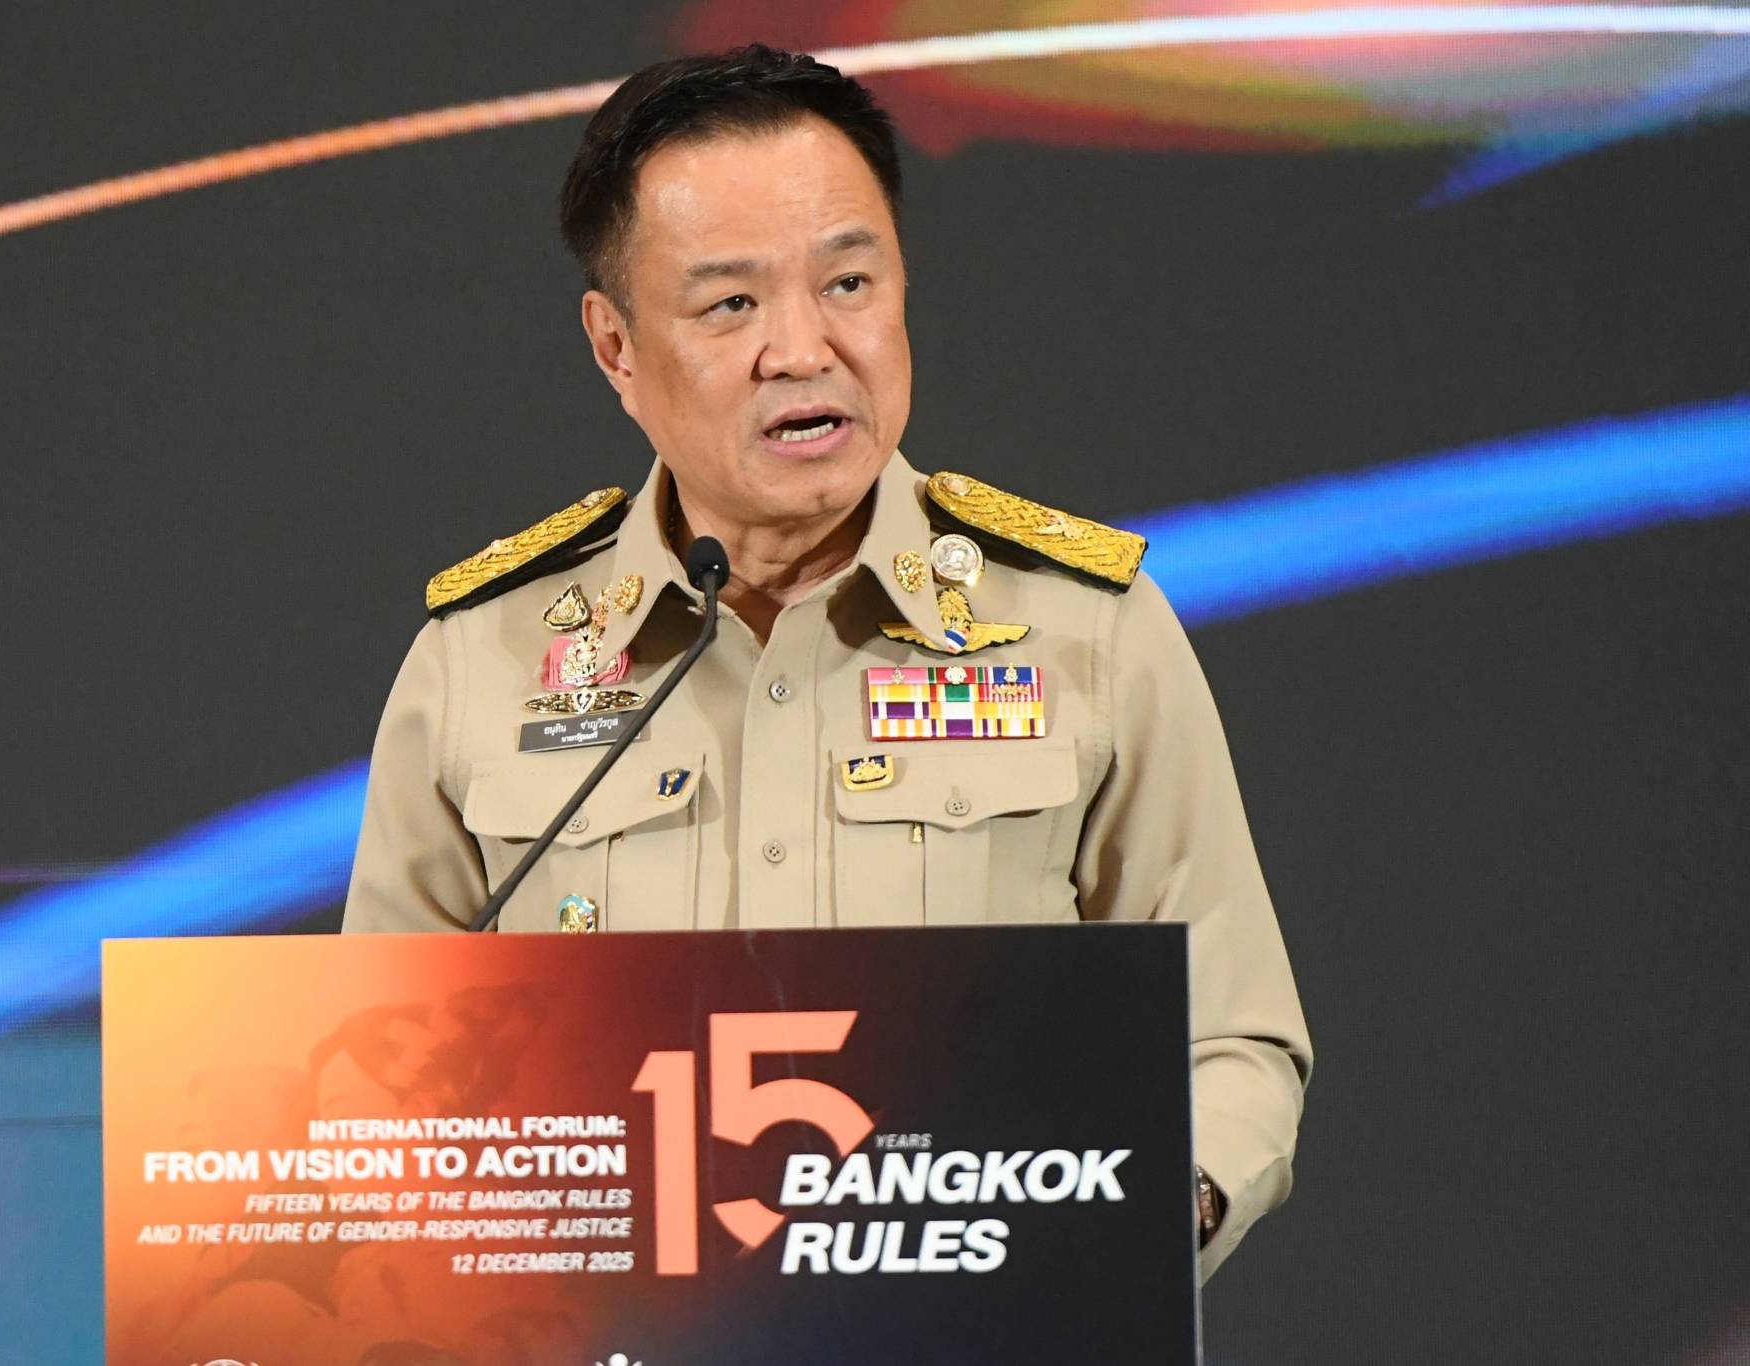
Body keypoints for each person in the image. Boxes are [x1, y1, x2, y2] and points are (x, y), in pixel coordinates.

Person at [343, 44, 1311, 1277]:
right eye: (730, 305)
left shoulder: (1087, 634)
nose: (802, 349)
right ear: (615, 348)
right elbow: (372, 1086)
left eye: (847, 282)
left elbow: (1230, 1042)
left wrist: (1131, 1229)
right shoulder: (478, 662)